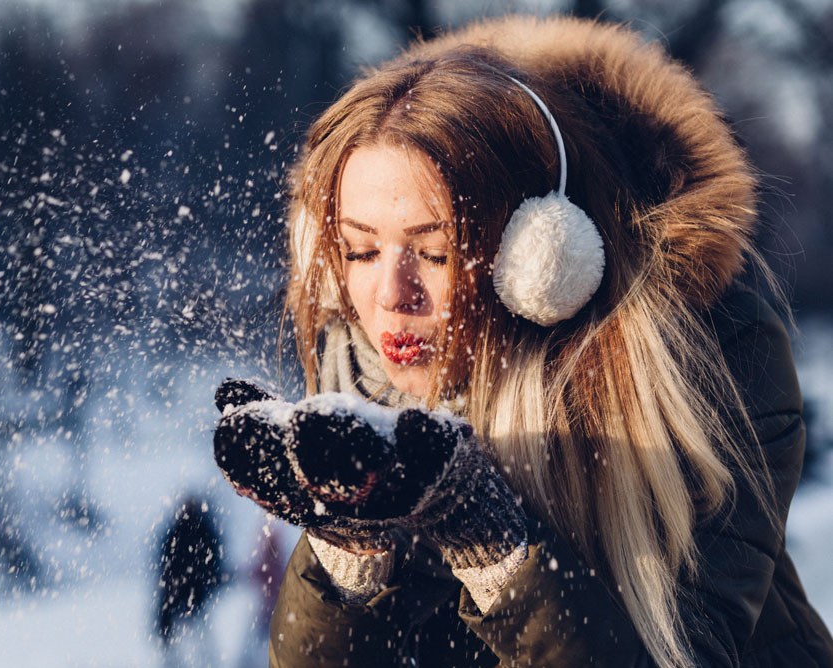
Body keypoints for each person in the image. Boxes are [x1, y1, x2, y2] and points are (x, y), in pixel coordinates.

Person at [212, 15, 833, 668]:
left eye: (433, 250)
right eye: (361, 250)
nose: (392, 295)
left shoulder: (710, 364)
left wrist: (489, 540)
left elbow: (689, 653)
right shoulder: (362, 375)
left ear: (540, 257)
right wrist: (350, 548)